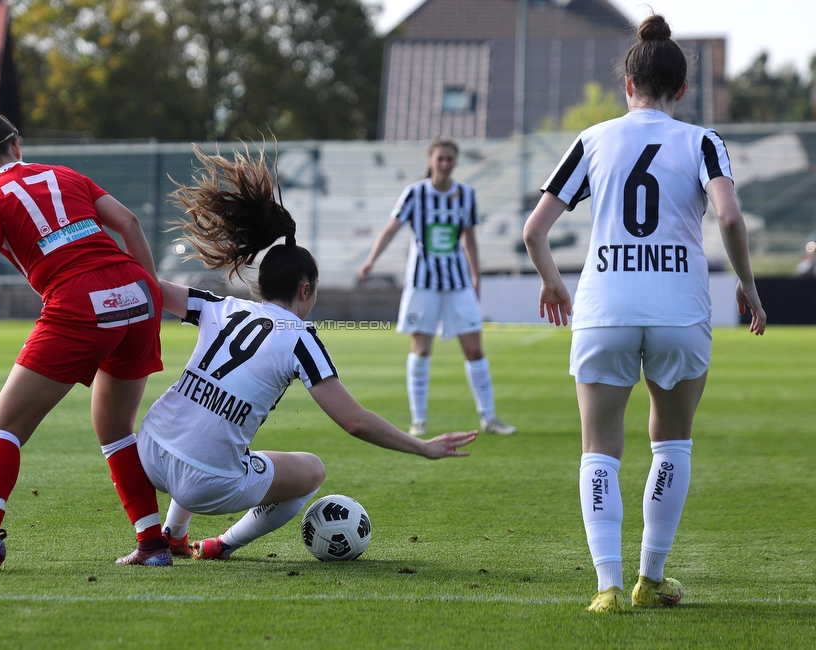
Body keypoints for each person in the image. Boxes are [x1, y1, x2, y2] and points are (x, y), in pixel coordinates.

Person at [522, 15, 766, 613]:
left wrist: (554, 283)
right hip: (678, 309)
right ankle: (650, 579)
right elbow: (730, 218)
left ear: (626, 86)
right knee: (671, 444)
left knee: (599, 447)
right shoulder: (702, 140)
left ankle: (606, 586)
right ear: (681, 90)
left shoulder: (593, 139)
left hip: (605, 306)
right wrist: (748, 286)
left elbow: (535, 230)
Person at [136, 144, 477, 560]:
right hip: (206, 483)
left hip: (148, 452)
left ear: (261, 286)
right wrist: (422, 446)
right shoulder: (300, 336)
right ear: (305, 289)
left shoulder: (217, 306)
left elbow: (148, 287)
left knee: (208, 430)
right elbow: (353, 421)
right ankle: (220, 545)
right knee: (312, 470)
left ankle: (172, 532)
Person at [0, 114, 173, 572]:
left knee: (4, 428)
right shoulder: (65, 174)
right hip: (136, 295)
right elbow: (130, 223)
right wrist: (151, 292)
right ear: (15, 146)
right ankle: (153, 544)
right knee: (117, 430)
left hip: (80, 301)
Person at [358, 137, 515, 438]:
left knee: (474, 348)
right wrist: (371, 261)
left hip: (457, 283)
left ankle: (490, 417)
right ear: (430, 161)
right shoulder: (414, 194)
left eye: (450, 159)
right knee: (421, 348)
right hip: (423, 284)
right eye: (440, 158)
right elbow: (391, 228)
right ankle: (419, 421)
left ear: (456, 162)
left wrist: (476, 275)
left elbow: (469, 238)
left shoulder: (466, 194)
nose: (444, 164)